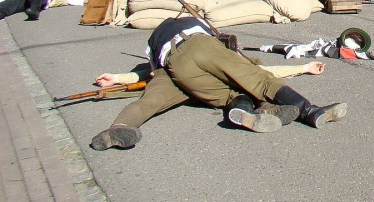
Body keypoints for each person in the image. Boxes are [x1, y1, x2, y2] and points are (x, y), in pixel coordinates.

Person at [89, 17, 347, 150]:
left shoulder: (152, 43)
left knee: (152, 101)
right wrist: (302, 68)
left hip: (172, 67)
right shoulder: (198, 26)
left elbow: (149, 73)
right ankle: (310, 111)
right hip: (199, 45)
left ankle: (120, 128)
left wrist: (118, 78)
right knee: (255, 80)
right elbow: (255, 68)